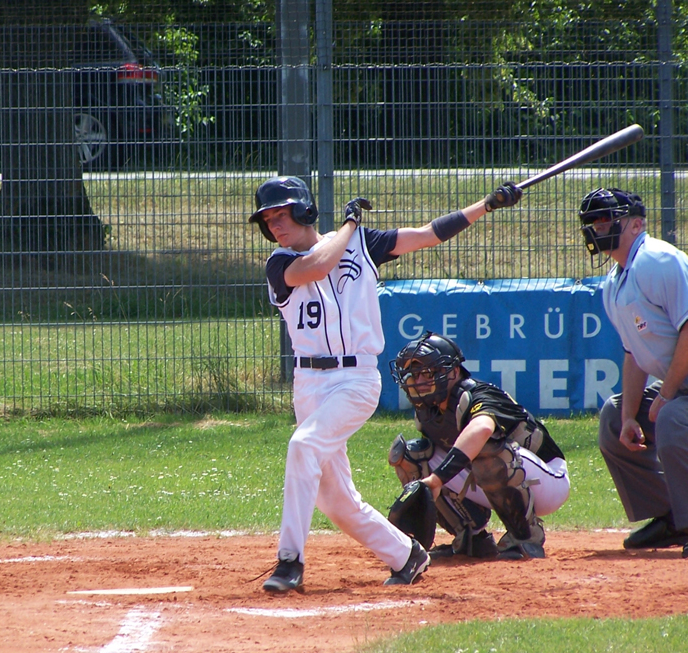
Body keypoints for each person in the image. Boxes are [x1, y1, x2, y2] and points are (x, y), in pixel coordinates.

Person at [249, 174, 522, 591]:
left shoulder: (363, 244)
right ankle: (406, 554)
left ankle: (289, 562)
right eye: (268, 219)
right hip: (308, 383)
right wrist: (351, 224)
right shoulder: (280, 264)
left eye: (281, 214)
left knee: (303, 446)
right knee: (335, 500)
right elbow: (320, 264)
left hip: (355, 379)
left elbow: (430, 234)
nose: (274, 224)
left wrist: (485, 205)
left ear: (304, 210)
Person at [389, 332, 570, 560]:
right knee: (412, 456)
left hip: (547, 480)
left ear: (453, 371)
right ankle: (471, 539)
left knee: (487, 448)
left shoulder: (479, 394)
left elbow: (482, 429)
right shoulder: (428, 412)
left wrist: (436, 480)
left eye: (426, 373)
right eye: (413, 376)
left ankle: (525, 537)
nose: (419, 383)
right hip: (501, 474)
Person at [579, 187, 688, 557]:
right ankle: (674, 517)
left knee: (672, 417)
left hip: (681, 388)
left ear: (637, 223)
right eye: (593, 222)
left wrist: (667, 393)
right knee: (613, 418)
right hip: (679, 385)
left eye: (607, 218)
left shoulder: (658, 260)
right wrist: (629, 416)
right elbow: (633, 354)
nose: (598, 227)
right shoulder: (613, 284)